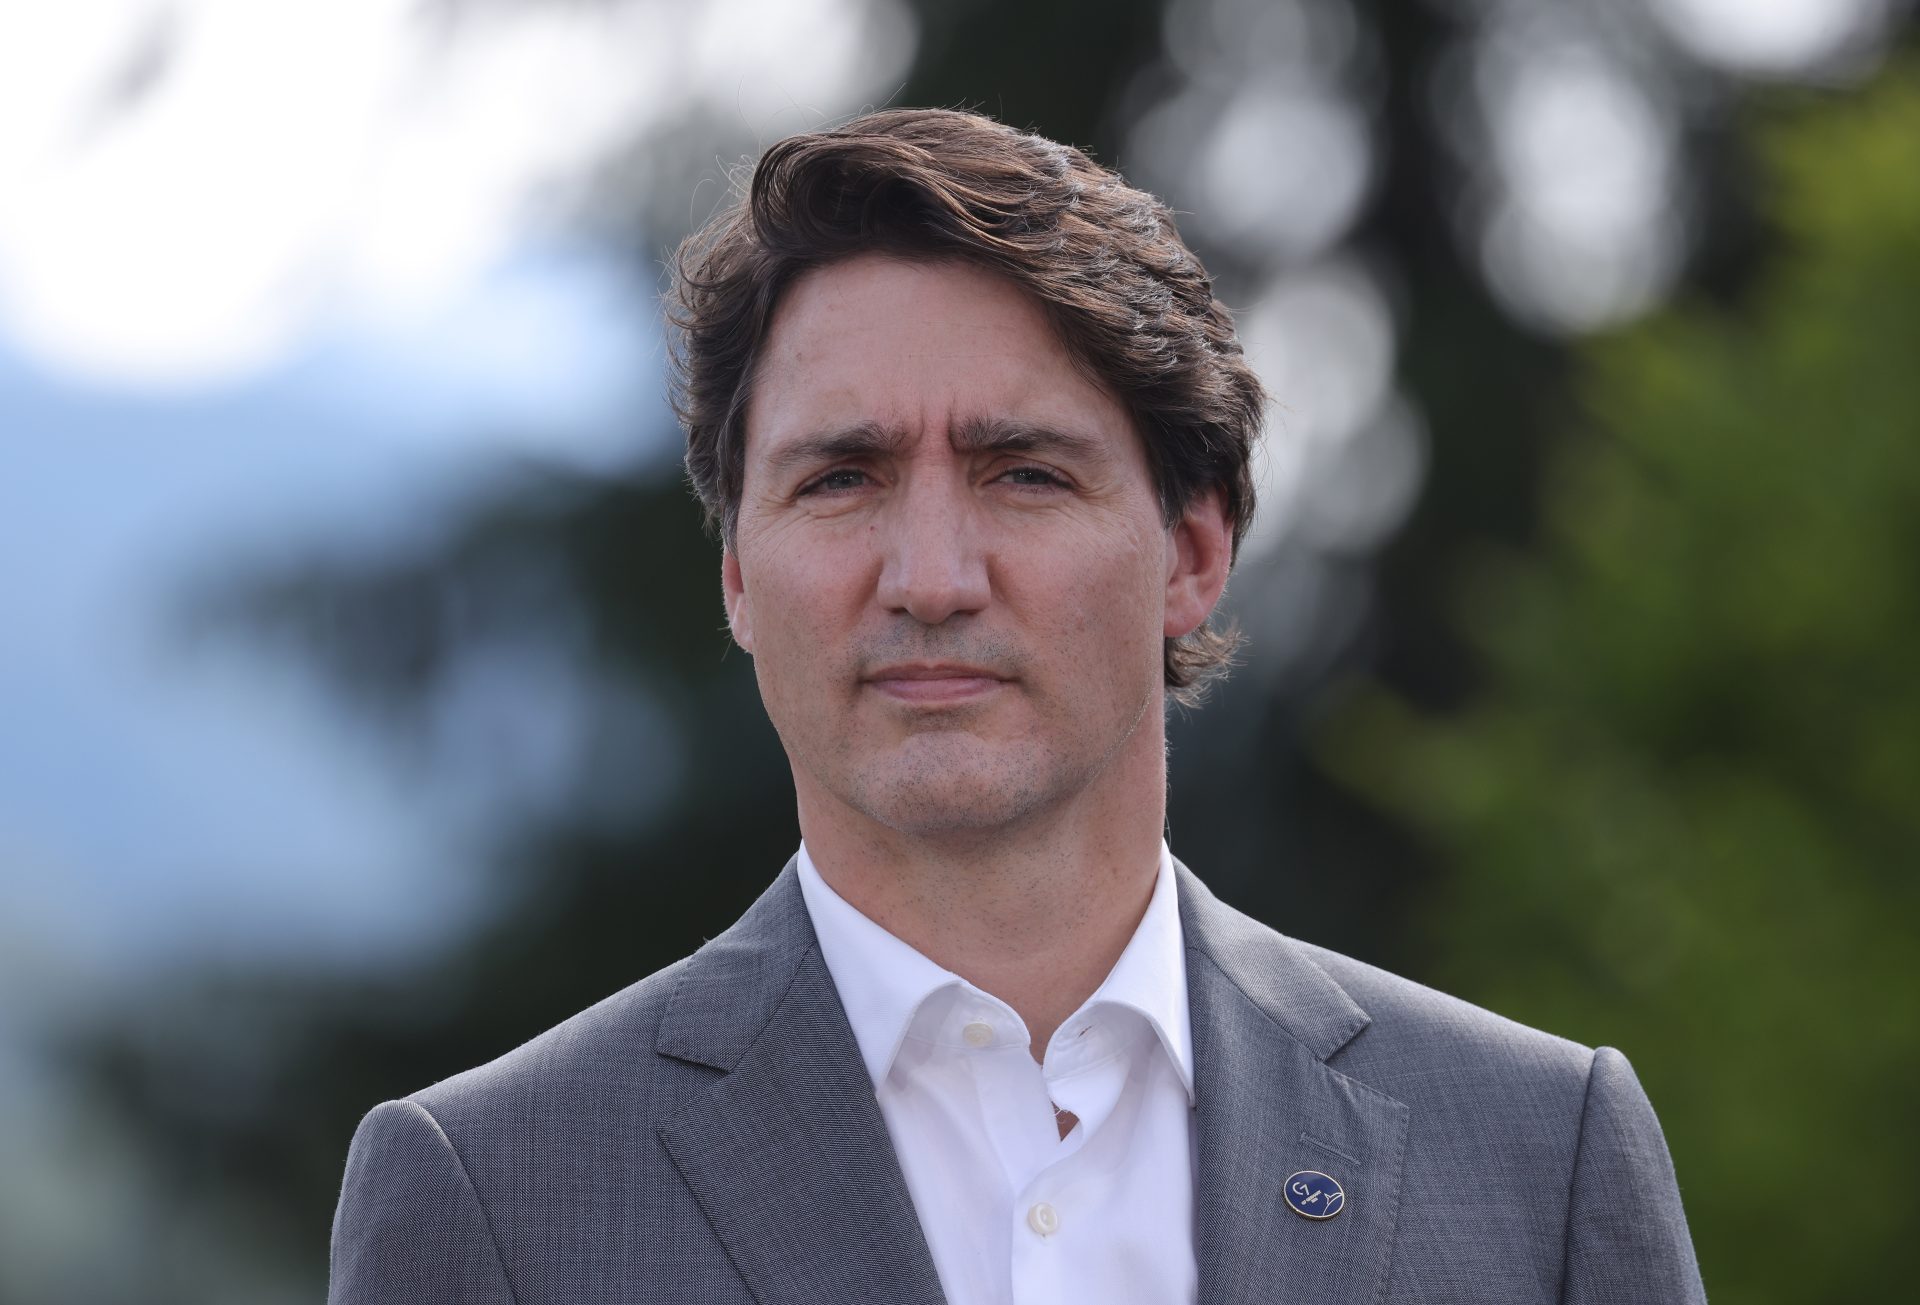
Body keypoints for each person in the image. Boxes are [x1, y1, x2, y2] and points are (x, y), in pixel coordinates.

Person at [328, 108, 1706, 1305]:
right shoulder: (496, 1199)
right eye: (841, 478)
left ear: (1193, 551)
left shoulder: (1540, 1157)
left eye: (1024, 473)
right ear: (741, 574)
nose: (931, 577)